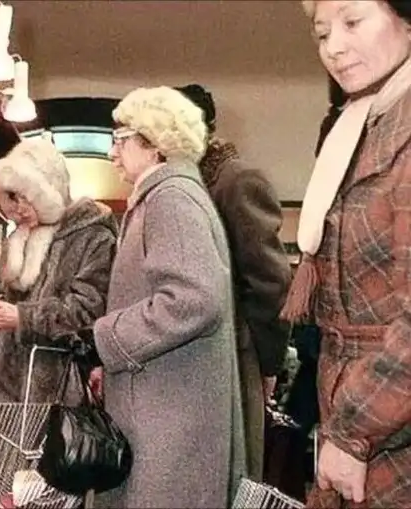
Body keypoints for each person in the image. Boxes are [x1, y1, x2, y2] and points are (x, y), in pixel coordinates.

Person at [280, 1, 411, 507]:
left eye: (352, 22)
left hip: (385, 428)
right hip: (361, 415)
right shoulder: (362, 123)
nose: (333, 47)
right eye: (322, 33)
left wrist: (356, 431)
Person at [92, 86, 245, 508]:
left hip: (168, 418)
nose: (113, 152)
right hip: (168, 405)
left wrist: (108, 337)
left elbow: (194, 298)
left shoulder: (171, 199)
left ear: (154, 143)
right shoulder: (169, 196)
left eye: (121, 139)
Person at [175, 83, 292, 482]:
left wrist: (268, 362)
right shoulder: (188, 184)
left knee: (231, 475)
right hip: (199, 357)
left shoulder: (236, 181)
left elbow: (270, 281)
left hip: (236, 354)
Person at [0, 137, 118, 404]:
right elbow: (10, 309)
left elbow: (89, 311)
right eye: (13, 198)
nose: (19, 209)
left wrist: (23, 317)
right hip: (6, 393)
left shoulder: (93, 236)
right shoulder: (19, 241)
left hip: (57, 394)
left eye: (27, 197)